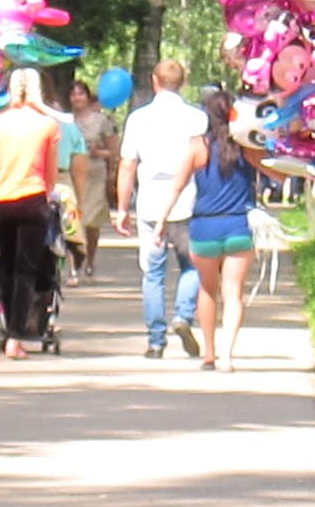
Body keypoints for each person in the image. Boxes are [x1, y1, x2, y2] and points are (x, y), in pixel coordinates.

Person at [0, 70, 68, 356]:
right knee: (27, 269)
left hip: (1, 200)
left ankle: (5, 325)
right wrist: (47, 197)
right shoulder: (48, 125)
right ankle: (15, 336)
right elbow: (50, 173)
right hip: (33, 198)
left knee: (6, 266)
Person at [115, 57, 206, 360]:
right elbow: (203, 161)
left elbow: (128, 164)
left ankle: (156, 341)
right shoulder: (196, 117)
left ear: (155, 81)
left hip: (151, 203)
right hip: (187, 201)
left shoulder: (138, 119)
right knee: (191, 266)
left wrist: (122, 206)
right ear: (182, 83)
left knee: (152, 273)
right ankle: (183, 315)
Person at [183, 88, 266, 371]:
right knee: (233, 294)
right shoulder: (246, 147)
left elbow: (177, 185)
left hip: (204, 226)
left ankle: (209, 353)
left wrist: (159, 222)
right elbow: (277, 172)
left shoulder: (197, 146)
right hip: (237, 226)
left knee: (207, 291)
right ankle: (227, 357)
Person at [63, 76, 117, 279]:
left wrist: (100, 155)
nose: (77, 98)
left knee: (91, 223)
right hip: (71, 175)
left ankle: (90, 259)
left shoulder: (101, 120)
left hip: (95, 176)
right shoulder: (65, 121)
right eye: (73, 94)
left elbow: (113, 150)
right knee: (72, 221)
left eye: (80, 93)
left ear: (87, 97)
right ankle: (74, 266)